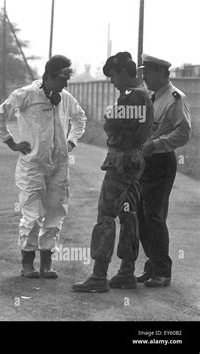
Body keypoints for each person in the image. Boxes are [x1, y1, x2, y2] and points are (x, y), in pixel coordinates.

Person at [0, 55, 86, 279]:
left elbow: (80, 118)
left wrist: (71, 140)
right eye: (62, 78)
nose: (65, 84)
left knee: (56, 212)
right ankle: (27, 264)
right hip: (32, 165)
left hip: (59, 165)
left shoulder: (66, 98)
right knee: (32, 214)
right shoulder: (26, 95)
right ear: (50, 76)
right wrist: (11, 142)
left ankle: (46, 263)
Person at [72, 52, 153, 293]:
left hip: (121, 161)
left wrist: (110, 117)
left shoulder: (132, 96)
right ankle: (126, 272)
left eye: (114, 76)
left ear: (123, 73)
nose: (111, 81)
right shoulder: (143, 94)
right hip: (135, 159)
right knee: (129, 215)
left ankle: (99, 275)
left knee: (106, 214)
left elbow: (111, 122)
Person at [136, 54, 191, 287]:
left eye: (147, 72)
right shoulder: (151, 97)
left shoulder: (175, 98)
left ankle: (162, 270)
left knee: (155, 216)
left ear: (161, 72)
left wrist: (156, 144)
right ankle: (152, 263)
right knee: (140, 216)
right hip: (145, 162)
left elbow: (183, 132)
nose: (144, 76)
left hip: (161, 162)